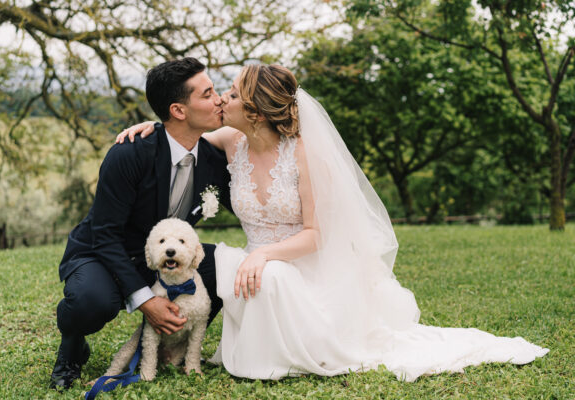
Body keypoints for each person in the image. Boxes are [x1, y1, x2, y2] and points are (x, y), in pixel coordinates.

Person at [119, 64, 548, 381]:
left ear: (256, 111)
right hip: (253, 258)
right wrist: (151, 126)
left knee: (271, 276)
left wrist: (266, 255)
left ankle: (288, 349)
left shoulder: (303, 153)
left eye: (230, 95)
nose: (221, 101)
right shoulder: (232, 140)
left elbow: (315, 234)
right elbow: (179, 134)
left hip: (305, 266)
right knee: (234, 266)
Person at [49, 57, 232, 390]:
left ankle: (169, 343)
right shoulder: (129, 153)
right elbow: (105, 234)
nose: (219, 99)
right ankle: (72, 345)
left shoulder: (213, 158)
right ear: (178, 110)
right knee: (91, 301)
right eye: (208, 94)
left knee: (223, 266)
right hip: (103, 253)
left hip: (167, 256)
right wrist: (147, 301)